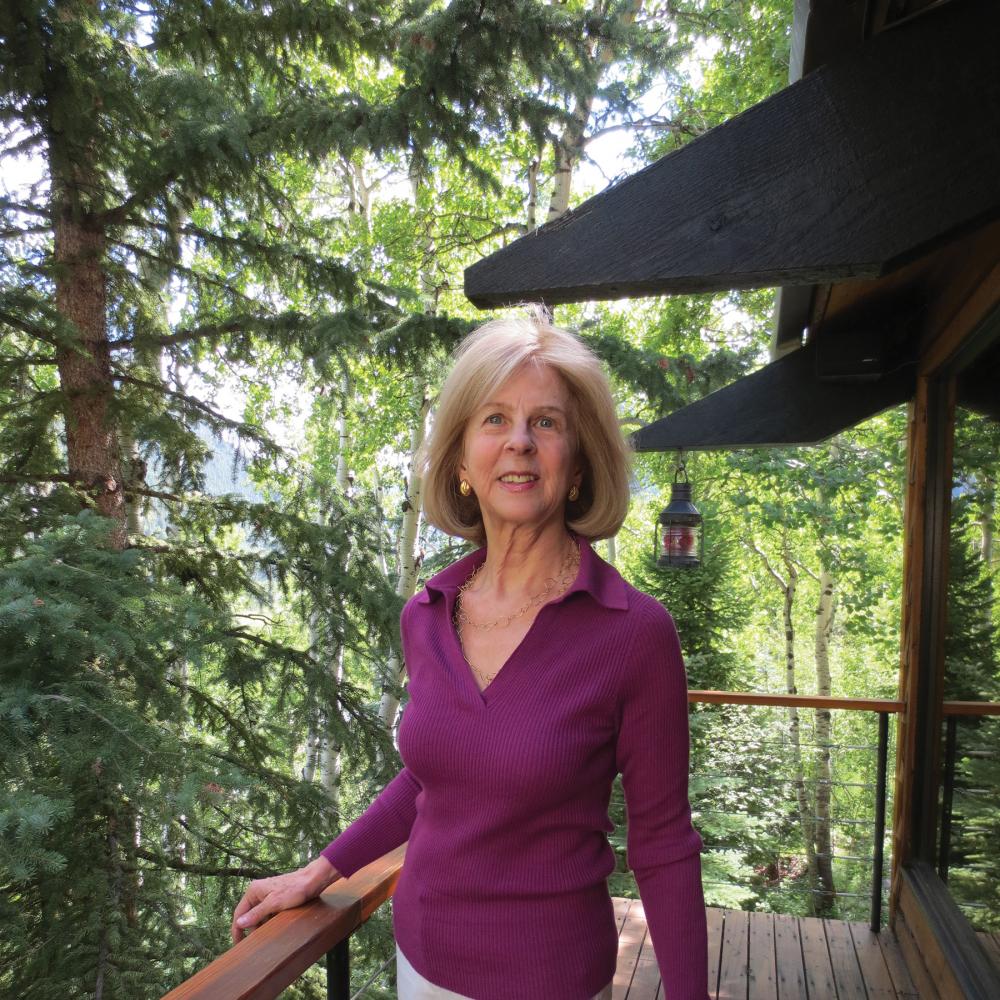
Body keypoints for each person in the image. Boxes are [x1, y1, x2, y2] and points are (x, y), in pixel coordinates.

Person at [232, 310, 709, 999]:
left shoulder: (633, 634)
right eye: (494, 419)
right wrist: (319, 872)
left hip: (551, 979)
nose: (519, 441)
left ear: (577, 464)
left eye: (546, 422)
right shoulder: (428, 613)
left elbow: (663, 844)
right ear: (461, 462)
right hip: (420, 963)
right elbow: (431, 779)